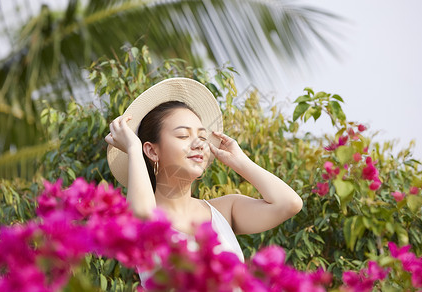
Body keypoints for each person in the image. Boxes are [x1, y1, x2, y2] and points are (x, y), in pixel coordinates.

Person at [104, 77, 303, 281]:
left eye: (202, 137)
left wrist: (241, 162)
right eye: (183, 135)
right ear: (152, 151)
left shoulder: (225, 210)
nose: (199, 144)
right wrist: (134, 149)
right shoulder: (143, 216)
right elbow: (143, 213)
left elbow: (289, 203)